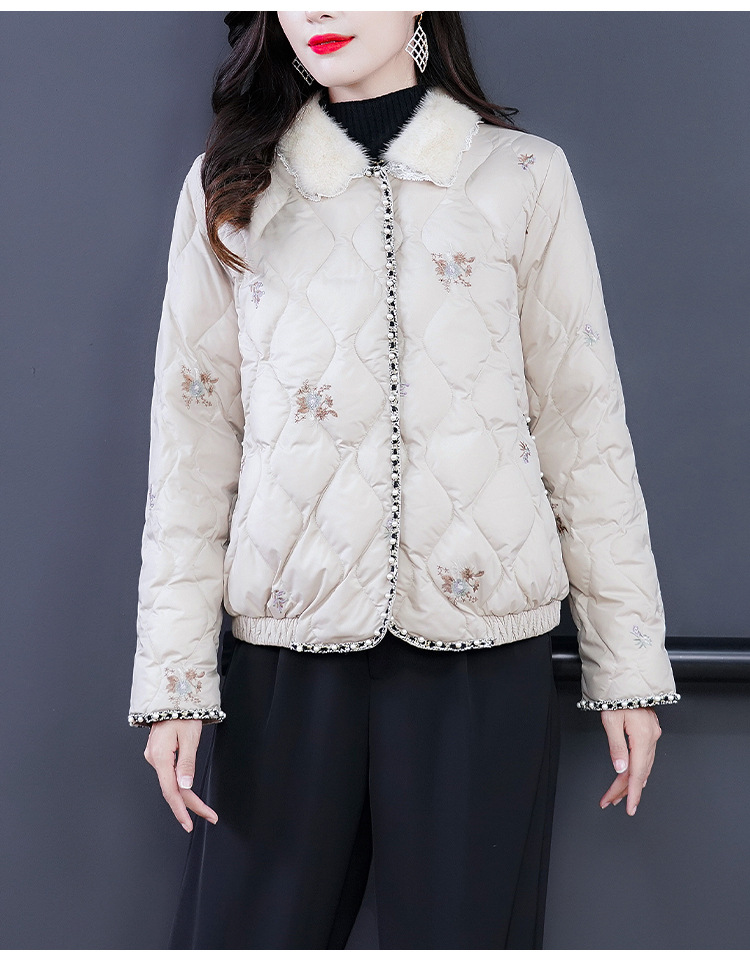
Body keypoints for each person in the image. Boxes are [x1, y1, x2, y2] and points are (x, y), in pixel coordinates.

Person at [128, 10, 680, 949]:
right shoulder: (233, 181)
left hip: (482, 653)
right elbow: (191, 442)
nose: (317, 10)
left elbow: (583, 426)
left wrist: (626, 665)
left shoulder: (523, 175)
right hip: (288, 652)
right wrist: (176, 682)